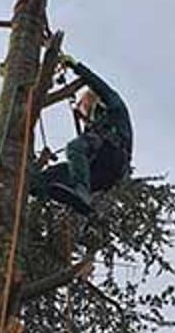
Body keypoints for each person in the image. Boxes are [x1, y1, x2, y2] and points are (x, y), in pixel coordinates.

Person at [31, 53, 133, 215]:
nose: (81, 110)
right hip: (99, 175)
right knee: (55, 173)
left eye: (82, 105)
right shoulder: (93, 130)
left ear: (91, 100)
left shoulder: (114, 109)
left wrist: (75, 66)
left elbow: (97, 84)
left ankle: (81, 193)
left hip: (113, 158)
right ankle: (35, 185)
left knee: (74, 148)